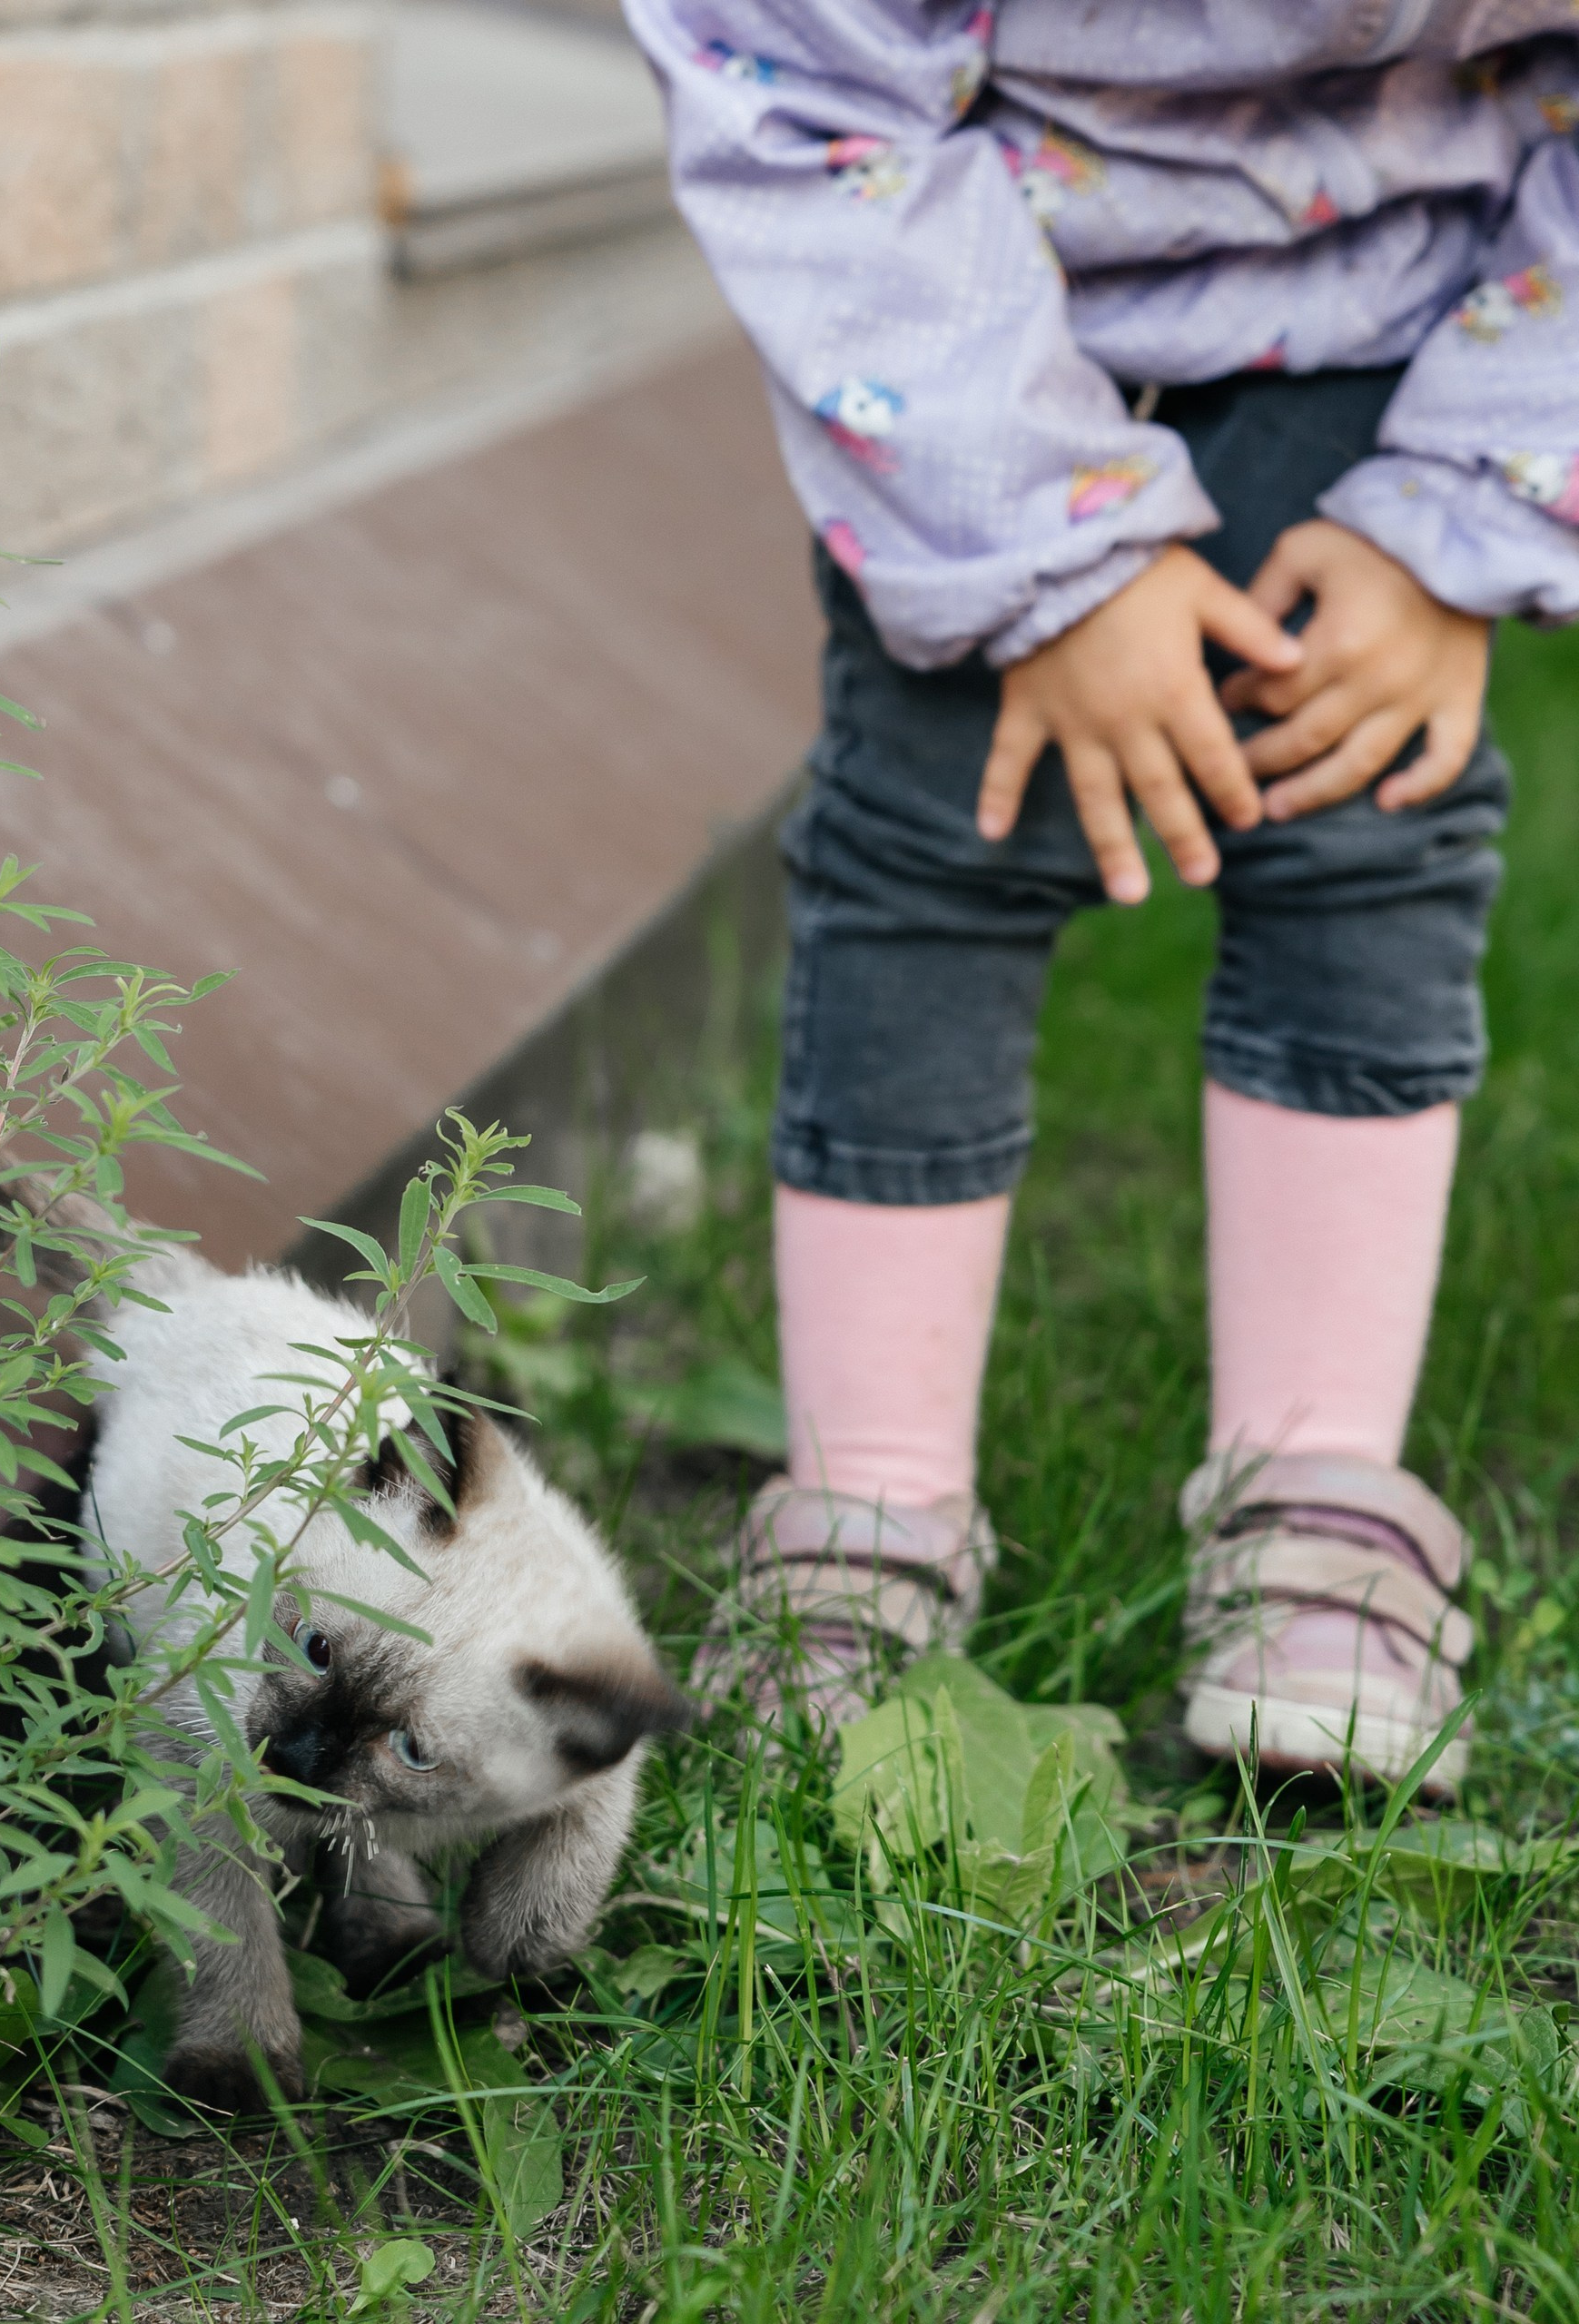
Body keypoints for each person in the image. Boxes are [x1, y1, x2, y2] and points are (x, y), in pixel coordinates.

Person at [625, 0, 1579, 1787]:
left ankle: (1318, 1505)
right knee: (934, 852)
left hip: (1415, 322)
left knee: (1365, 834)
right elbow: (795, 84)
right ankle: (868, 1510)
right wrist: (1043, 545)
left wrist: (1465, 500)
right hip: (974, 326)